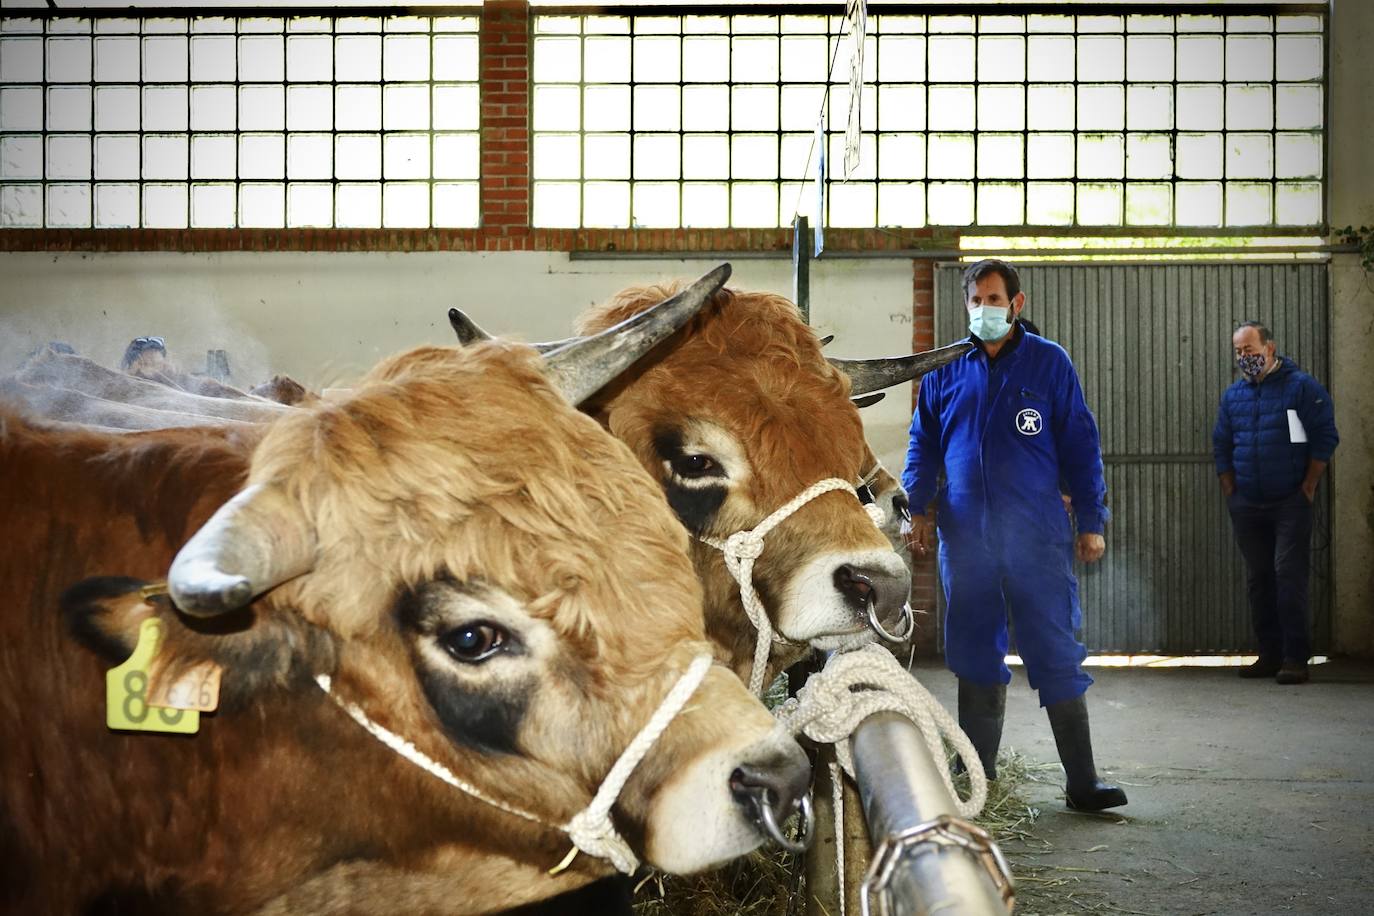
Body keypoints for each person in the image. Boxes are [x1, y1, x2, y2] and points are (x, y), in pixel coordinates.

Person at [902, 258, 1126, 812]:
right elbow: (922, 447)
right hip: (968, 538)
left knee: (1055, 651)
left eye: (994, 300)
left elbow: (1080, 445)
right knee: (975, 653)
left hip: (1037, 538)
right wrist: (919, 511)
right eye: (976, 301)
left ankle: (1082, 783)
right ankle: (977, 774)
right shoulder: (944, 369)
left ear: (1017, 304)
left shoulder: (1050, 364)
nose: (984, 310)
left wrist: (1092, 521)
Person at [1213, 321, 1338, 685]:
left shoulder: (1301, 388)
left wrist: (1309, 486)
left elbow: (1326, 436)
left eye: (1250, 349)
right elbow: (1221, 442)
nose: (1244, 357)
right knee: (1260, 579)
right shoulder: (1234, 396)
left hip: (1289, 503)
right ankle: (1269, 655)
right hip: (1247, 504)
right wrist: (1229, 488)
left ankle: (1296, 658)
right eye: (1238, 351)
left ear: (1270, 348)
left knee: (1288, 576)